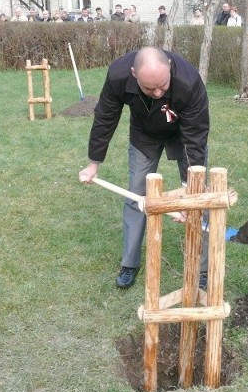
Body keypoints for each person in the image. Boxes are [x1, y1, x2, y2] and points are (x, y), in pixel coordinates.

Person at [78, 47, 210, 289]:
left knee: (199, 198)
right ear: (133, 74)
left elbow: (196, 135)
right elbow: (106, 117)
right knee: (136, 196)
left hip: (184, 134)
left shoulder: (189, 81)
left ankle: (202, 270)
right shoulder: (118, 75)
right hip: (144, 135)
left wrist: (187, 186)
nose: (158, 93)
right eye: (150, 89)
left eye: (163, 86)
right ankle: (129, 263)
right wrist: (93, 162)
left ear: (169, 67)